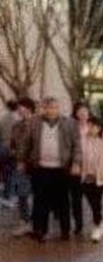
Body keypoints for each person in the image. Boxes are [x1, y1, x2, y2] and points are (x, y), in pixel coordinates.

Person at [17, 97, 81, 242]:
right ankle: (41, 230)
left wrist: (76, 163)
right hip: (40, 168)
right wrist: (21, 160)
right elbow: (25, 143)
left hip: (61, 169)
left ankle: (65, 231)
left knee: (63, 201)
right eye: (48, 108)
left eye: (54, 107)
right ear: (43, 109)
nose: (51, 110)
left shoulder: (69, 123)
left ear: (58, 108)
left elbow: (76, 145)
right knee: (40, 201)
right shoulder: (34, 123)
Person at [9, 98, 36, 237]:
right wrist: (13, 153)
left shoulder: (38, 124)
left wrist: (27, 160)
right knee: (22, 194)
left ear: (30, 108)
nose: (21, 110)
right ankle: (25, 221)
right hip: (19, 165)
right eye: (19, 108)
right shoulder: (16, 126)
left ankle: (36, 223)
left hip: (35, 165)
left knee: (38, 195)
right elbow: (12, 144)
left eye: (23, 107)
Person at [69, 102, 91, 236]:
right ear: (75, 113)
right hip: (76, 167)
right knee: (76, 198)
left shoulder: (94, 127)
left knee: (93, 196)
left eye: (85, 111)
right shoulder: (71, 127)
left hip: (91, 168)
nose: (83, 114)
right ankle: (78, 224)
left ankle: (97, 220)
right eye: (80, 111)